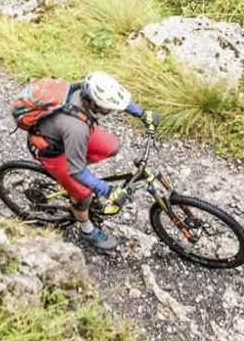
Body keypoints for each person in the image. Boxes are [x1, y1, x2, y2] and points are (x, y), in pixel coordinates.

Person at [27, 71, 160, 252]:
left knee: (112, 146)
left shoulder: (86, 89)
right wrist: (108, 191)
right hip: (52, 150)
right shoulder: (76, 128)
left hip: (68, 134)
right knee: (83, 194)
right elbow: (77, 170)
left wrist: (143, 114)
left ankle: (72, 179)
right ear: (92, 103)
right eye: (107, 107)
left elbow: (116, 98)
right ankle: (86, 229)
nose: (112, 110)